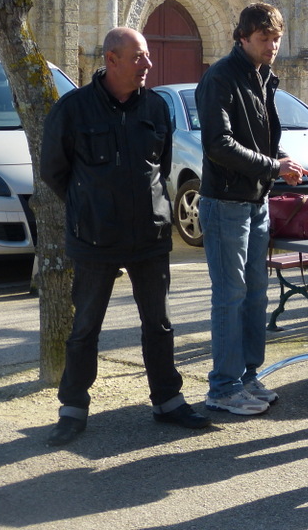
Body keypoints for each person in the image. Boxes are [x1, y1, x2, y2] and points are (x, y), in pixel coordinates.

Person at [40, 27, 210, 446]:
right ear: (111, 60)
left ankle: (168, 401)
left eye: (148, 56)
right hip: (94, 238)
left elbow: (160, 165)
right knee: (85, 327)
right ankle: (73, 408)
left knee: (159, 324)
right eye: (138, 57)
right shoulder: (73, 109)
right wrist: (89, 205)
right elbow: (53, 171)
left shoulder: (155, 106)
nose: (147, 65)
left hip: (149, 236)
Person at [196, 2, 308, 416]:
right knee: (230, 295)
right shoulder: (221, 77)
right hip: (225, 203)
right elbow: (218, 145)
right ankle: (223, 387)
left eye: (277, 38)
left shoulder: (262, 77)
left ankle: (245, 377)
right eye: (264, 38)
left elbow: (258, 141)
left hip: (255, 200)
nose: (273, 46)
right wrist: (273, 165)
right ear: (242, 37)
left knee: (256, 293)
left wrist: (283, 161)